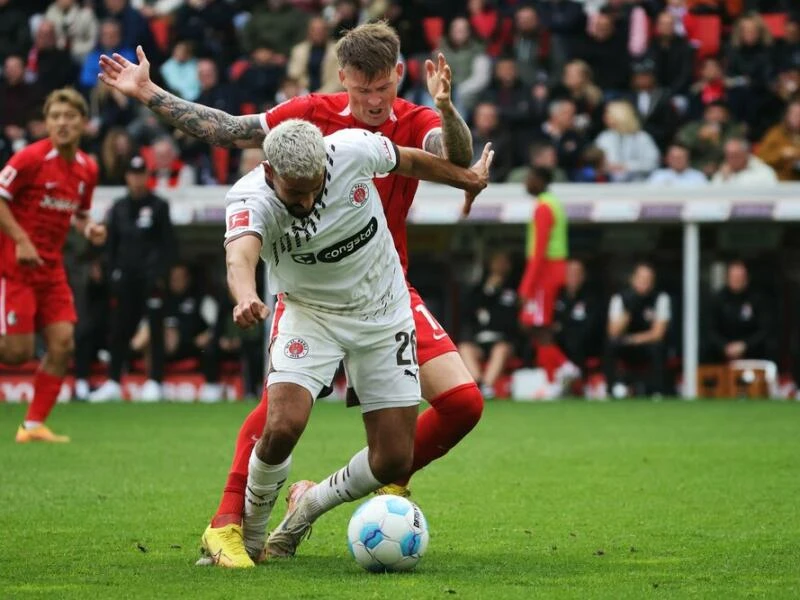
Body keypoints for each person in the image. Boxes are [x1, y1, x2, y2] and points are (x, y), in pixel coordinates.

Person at [98, 22, 483, 562]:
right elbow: (230, 131)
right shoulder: (305, 119)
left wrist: (447, 111)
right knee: (280, 415)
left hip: (383, 288)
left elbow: (451, 154)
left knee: (462, 404)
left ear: (400, 75)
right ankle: (230, 521)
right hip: (310, 297)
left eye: (385, 87)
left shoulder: (402, 125)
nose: (375, 100)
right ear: (342, 77)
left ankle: (334, 490)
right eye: (362, 88)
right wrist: (148, 92)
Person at [216, 120, 492, 567]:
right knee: (283, 424)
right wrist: (246, 294)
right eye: (294, 194)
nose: (306, 202)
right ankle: (250, 534)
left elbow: (410, 160)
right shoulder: (250, 197)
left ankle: (307, 506)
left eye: (313, 189)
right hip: (311, 314)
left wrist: (467, 177)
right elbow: (240, 254)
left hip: (384, 312)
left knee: (393, 459)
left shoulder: (351, 150)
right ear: (270, 174)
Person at [0, 87, 105, 442]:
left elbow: (80, 214)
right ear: (46, 122)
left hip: (51, 269)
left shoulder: (87, 168)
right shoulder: (29, 158)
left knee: (63, 344)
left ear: (83, 123)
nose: (62, 123)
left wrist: (89, 228)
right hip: (15, 267)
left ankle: (31, 426)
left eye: (70, 117)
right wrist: (22, 240)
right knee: (18, 354)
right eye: (56, 117)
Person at [89, 155, 177, 402]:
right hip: (125, 279)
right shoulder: (118, 207)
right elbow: (111, 246)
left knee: (156, 330)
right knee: (119, 330)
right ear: (127, 176)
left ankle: (155, 382)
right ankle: (114, 382)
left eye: (141, 174)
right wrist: (111, 274)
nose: (137, 179)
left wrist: (161, 275)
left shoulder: (159, 206)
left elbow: (168, 244)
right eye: (132, 174)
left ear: (146, 177)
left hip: (151, 280)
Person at [518, 166, 579, 398]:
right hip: (552, 268)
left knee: (538, 326)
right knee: (535, 326)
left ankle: (561, 370)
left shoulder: (544, 207)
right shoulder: (553, 203)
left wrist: (526, 287)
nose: (526, 183)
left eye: (529, 179)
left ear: (540, 181)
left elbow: (539, 250)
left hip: (545, 271)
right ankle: (557, 371)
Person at [605, 262, 671, 398]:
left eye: (648, 280)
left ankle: (657, 390)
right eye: (641, 279)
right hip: (625, 344)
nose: (644, 283)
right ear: (633, 279)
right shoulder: (620, 298)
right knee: (610, 345)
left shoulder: (660, 298)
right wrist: (628, 311)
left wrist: (635, 339)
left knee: (658, 347)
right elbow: (613, 332)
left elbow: (658, 333)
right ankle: (611, 388)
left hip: (646, 343)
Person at [458, 251, 519, 399]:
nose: (500, 266)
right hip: (480, 340)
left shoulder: (513, 289)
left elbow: (510, 318)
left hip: (502, 340)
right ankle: (478, 385)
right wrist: (489, 291)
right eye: (497, 262)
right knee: (464, 348)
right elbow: (469, 312)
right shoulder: (479, 289)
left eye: (503, 262)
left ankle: (486, 386)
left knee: (500, 349)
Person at [706, 261, 773, 363]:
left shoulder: (757, 299)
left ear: (746, 278)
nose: (737, 280)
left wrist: (745, 345)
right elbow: (710, 329)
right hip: (721, 358)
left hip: (753, 357)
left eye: (740, 277)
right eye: (734, 277)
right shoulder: (717, 300)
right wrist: (724, 346)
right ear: (727, 278)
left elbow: (765, 329)